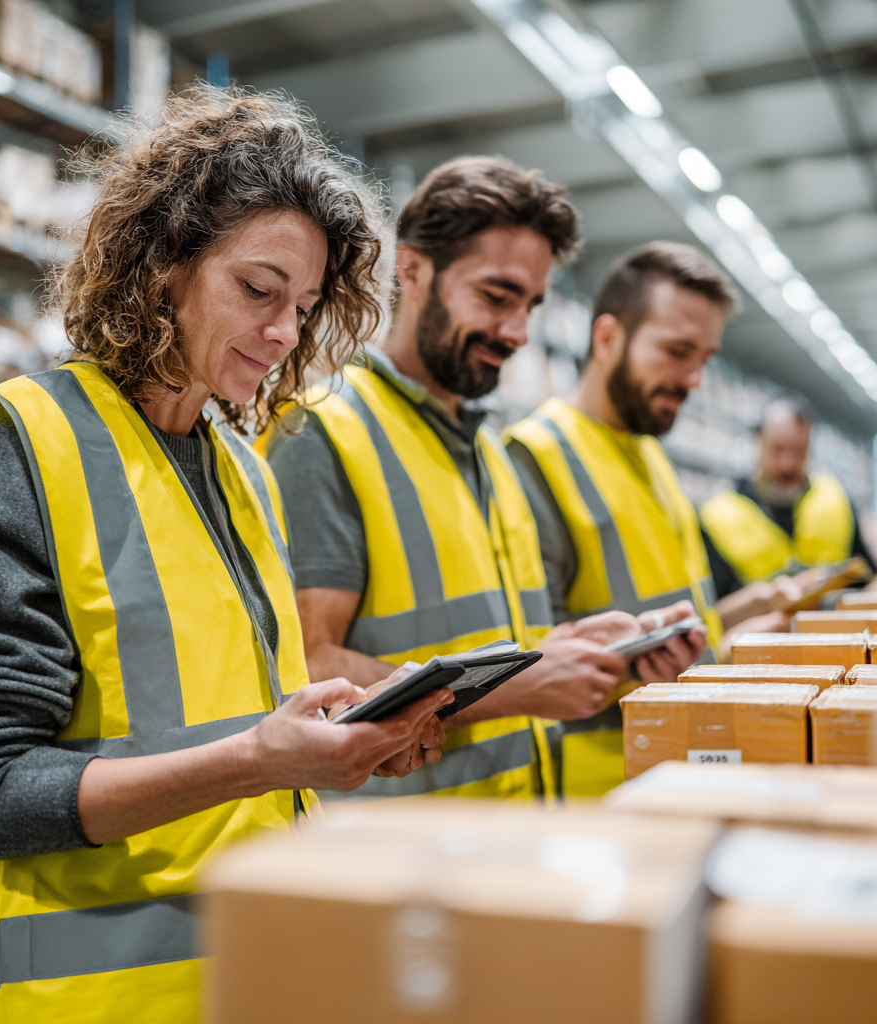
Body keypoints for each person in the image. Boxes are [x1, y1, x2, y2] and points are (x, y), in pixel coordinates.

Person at [0, 88, 454, 1024]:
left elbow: (197, 712)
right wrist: (262, 758)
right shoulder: (25, 450)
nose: (282, 334)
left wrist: (319, 730)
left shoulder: (240, 470)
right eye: (257, 289)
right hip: (59, 999)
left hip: (227, 977)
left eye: (304, 305)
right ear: (162, 270)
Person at [264, 157, 705, 803]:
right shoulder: (324, 431)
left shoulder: (491, 450)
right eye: (495, 298)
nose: (517, 333)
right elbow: (305, 664)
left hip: (507, 834)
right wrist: (514, 691)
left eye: (529, 305)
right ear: (411, 270)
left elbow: (483, 644)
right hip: (397, 859)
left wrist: (571, 652)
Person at [504, 241, 728, 797]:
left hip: (681, 761)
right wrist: (630, 664)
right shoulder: (536, 455)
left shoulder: (650, 452)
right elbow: (531, 656)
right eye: (677, 352)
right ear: (607, 338)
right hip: (600, 785)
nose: (693, 378)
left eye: (704, 358)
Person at [700, 396, 877, 596]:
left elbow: (866, 576)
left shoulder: (835, 499)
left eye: (799, 451)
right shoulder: (719, 514)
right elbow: (713, 602)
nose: (788, 464)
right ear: (757, 442)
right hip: (755, 627)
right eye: (777, 449)